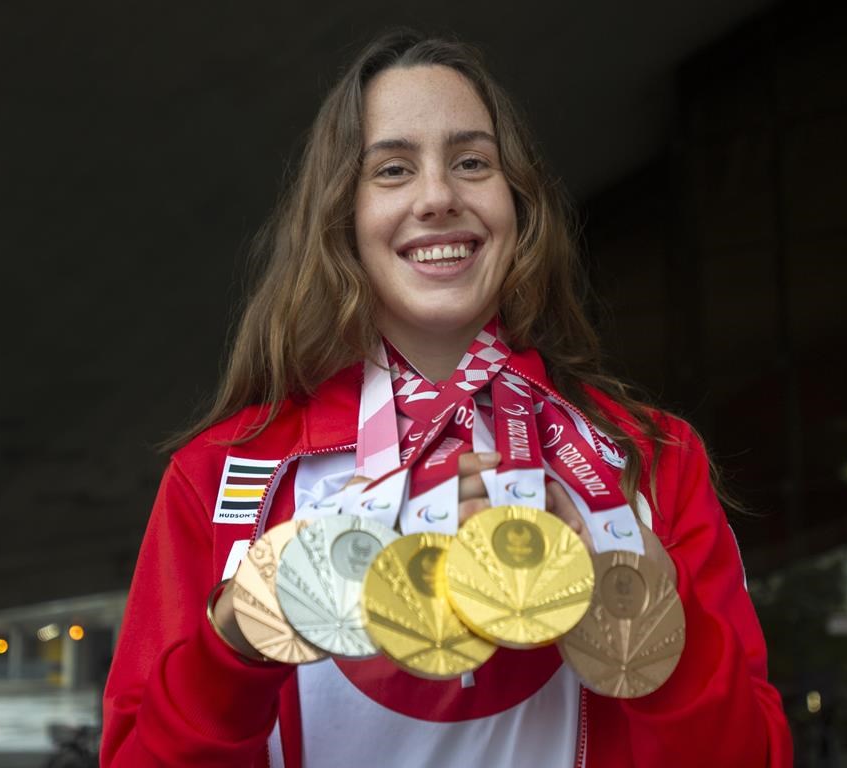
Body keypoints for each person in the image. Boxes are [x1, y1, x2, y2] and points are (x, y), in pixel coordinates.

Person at [101, 30, 793, 767]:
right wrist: (234, 643)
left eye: (471, 163)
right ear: (342, 217)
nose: (437, 197)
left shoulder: (649, 462)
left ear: (516, 205)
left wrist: (617, 592)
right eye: (392, 170)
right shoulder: (221, 475)